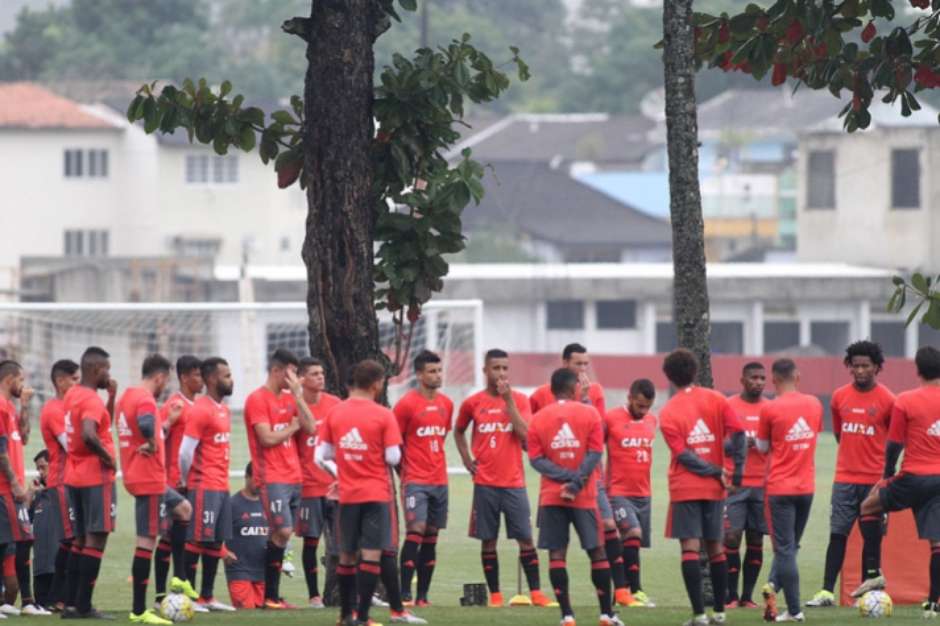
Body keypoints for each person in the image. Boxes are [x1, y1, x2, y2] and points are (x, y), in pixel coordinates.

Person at [315, 359, 425, 626]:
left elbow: (321, 456)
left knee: (347, 555)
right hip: (376, 495)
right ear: (377, 384)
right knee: (372, 556)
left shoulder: (335, 413)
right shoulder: (383, 414)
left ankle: (345, 617)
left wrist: (342, 473)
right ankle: (363, 617)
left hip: (348, 496)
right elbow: (392, 456)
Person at [530, 345, 628, 604]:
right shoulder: (542, 395)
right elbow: (530, 434)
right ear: (565, 364)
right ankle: (572, 610)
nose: (584, 370)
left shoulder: (595, 392)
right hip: (557, 484)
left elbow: (599, 432)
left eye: (586, 364)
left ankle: (621, 592)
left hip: (590, 478)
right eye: (578, 364)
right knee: (561, 548)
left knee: (607, 528)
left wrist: (584, 399)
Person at [454, 349, 550, 608]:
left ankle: (537, 593)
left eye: (505, 368)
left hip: (514, 483)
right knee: (488, 539)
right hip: (485, 483)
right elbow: (459, 430)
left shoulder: (519, 400)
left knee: (526, 538)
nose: (501, 373)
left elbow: (526, 437)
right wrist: (465, 458)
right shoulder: (472, 403)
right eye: (496, 368)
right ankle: (495, 596)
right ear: (485, 371)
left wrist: (508, 402)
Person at [659, 349, 745, 626]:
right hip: (714, 488)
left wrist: (711, 469)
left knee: (690, 549)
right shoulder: (716, 399)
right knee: (716, 548)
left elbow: (682, 454)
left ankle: (699, 616)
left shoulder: (669, 410)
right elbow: (740, 432)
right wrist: (736, 471)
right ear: (695, 371)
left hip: (685, 487)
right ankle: (720, 613)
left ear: (669, 377)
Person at [853, 346, 940, 618]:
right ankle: (933, 602)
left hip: (913, 477)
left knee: (868, 508)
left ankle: (873, 574)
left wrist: (887, 475)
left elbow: (894, 444)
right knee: (937, 543)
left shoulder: (906, 400)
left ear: (917, 370)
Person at [806, 341, 894, 608]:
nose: (859, 371)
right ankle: (826, 592)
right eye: (855, 366)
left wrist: (885, 476)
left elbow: (894, 440)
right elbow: (839, 435)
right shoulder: (839, 397)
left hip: (874, 481)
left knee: (872, 536)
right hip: (844, 478)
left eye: (865, 366)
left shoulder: (889, 400)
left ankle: (870, 593)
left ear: (877, 367)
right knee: (837, 534)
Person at [116, 354, 195, 625]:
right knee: (146, 541)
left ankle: (179, 575)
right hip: (148, 478)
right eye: (166, 381)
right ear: (159, 377)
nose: (165, 386)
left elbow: (147, 427)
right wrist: (151, 441)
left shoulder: (127, 396)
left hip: (145, 477)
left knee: (184, 509)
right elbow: (146, 425)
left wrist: (167, 424)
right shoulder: (146, 399)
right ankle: (139, 610)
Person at [243, 348, 313, 609]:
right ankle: (269, 595)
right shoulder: (256, 400)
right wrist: (292, 427)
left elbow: (311, 426)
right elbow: (267, 438)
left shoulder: (290, 397)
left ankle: (270, 596)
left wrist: (298, 396)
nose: (297, 378)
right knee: (282, 531)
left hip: (294, 476)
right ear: (277, 370)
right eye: (293, 373)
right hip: (271, 477)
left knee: (281, 535)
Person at [757, 358, 822, 623]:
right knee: (791, 547)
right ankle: (773, 585)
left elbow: (761, 448)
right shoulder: (815, 404)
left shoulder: (770, 409)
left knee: (784, 550)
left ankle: (794, 610)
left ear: (773, 380)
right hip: (806, 487)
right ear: (798, 376)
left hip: (780, 488)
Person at [62, 346, 118, 619]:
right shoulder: (91, 400)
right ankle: (84, 606)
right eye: (107, 368)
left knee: (80, 540)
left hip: (74, 474)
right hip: (96, 477)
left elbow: (96, 422)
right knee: (96, 539)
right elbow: (88, 434)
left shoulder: (74, 394)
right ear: (97, 369)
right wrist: (108, 458)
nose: (109, 372)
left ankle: (71, 604)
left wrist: (112, 396)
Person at [394, 350, 453, 607]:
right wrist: (405, 474)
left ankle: (423, 597)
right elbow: (395, 444)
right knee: (415, 530)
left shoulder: (447, 404)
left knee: (431, 535)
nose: (437, 375)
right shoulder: (406, 404)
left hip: (440, 480)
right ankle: (404, 593)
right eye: (432, 371)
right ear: (419, 374)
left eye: (439, 370)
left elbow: (440, 438)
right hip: (415, 480)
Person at [178, 357, 236, 612]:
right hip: (204, 484)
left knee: (215, 540)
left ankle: (207, 596)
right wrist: (185, 479)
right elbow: (185, 452)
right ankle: (188, 597)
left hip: (221, 484)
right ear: (212, 379)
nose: (230, 379)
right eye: (226, 375)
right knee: (197, 539)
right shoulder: (201, 409)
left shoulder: (222, 408)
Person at [155, 355, 203, 606]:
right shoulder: (175, 405)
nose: (201, 379)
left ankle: (181, 593)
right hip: (172, 480)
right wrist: (168, 422)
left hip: (190, 481)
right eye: (196, 375)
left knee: (183, 539)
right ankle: (161, 596)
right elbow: (157, 438)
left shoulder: (197, 405)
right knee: (167, 537)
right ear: (184, 377)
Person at [605, 379, 657, 608]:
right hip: (617, 491)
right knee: (632, 532)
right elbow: (594, 444)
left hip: (643, 492)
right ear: (630, 398)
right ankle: (634, 590)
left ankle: (620, 590)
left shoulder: (652, 420)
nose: (643, 411)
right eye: (639, 406)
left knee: (632, 542)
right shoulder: (611, 418)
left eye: (647, 406)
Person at [293, 357, 341, 609]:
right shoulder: (294, 406)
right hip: (309, 486)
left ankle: (343, 592)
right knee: (311, 541)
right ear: (301, 379)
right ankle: (314, 596)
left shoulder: (335, 404)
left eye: (322, 372)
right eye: (314, 374)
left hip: (334, 485)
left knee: (341, 544)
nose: (321, 377)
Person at [723, 362, 770, 609]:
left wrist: (763, 443)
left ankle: (747, 597)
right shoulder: (729, 406)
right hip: (734, 484)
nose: (759, 382)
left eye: (763, 378)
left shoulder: (771, 409)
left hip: (762, 484)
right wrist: (741, 444)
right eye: (754, 378)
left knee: (756, 539)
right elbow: (719, 445)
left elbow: (780, 443)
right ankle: (730, 595)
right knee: (731, 537)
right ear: (742, 380)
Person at [0, 361, 44, 617]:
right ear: (9, 380)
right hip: (5, 489)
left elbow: (24, 437)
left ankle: (25, 601)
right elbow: (1, 451)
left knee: (20, 542)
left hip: (12, 491)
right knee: (4, 544)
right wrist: (16, 484)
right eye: (21, 380)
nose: (23, 385)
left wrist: (25, 406)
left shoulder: (10, 408)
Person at [38, 359, 79, 612]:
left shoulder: (69, 408)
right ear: (61, 381)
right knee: (70, 539)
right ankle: (59, 597)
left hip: (75, 480)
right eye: (74, 379)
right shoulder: (53, 409)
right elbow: (71, 445)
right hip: (62, 481)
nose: (78, 384)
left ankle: (62, 597)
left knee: (73, 539)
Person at [224, 463, 268, 610]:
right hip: (239, 572)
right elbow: (215, 534)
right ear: (246, 477)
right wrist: (223, 552)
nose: (259, 483)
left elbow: (278, 532)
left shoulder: (269, 503)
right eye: (256, 479)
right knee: (247, 614)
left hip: (264, 572)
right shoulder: (232, 504)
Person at [30, 450, 56, 610]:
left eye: (43, 467)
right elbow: (24, 519)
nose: (40, 472)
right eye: (38, 469)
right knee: (41, 610)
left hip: (58, 570)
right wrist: (29, 493)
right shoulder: (38, 496)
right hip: (40, 568)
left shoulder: (65, 492)